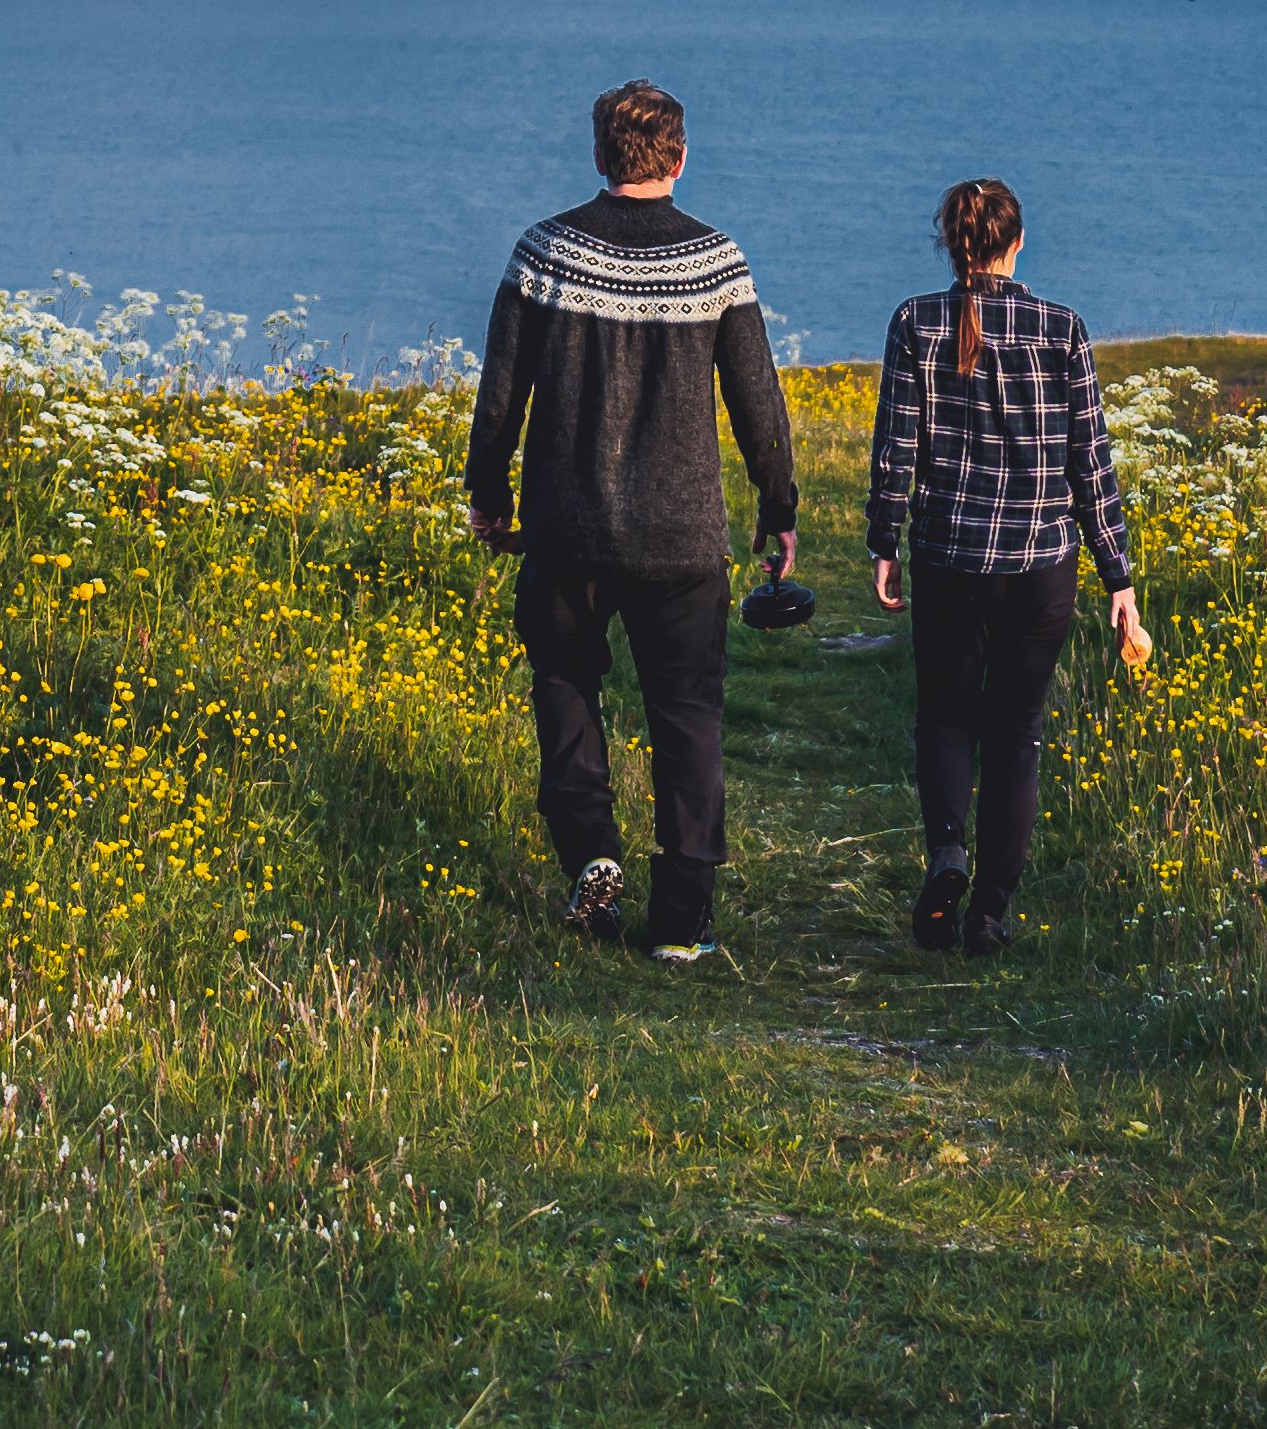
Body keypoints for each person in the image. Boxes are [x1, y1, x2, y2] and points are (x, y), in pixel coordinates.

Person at [466, 78, 801, 955]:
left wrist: (489, 492)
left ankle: (590, 851)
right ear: (680, 159)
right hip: (683, 538)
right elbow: (757, 400)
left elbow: (501, 394)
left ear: (599, 155)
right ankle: (681, 920)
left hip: (567, 528)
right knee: (686, 716)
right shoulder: (717, 261)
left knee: (565, 684)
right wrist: (780, 504)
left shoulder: (544, 252)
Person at [864, 177, 1150, 956]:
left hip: (951, 554)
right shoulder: (1063, 329)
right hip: (1042, 563)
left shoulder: (915, 323)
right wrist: (1119, 578)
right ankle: (988, 914)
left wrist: (884, 542)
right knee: (1016, 731)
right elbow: (1091, 466)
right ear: (1017, 242)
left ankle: (948, 851)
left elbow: (898, 449)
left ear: (951, 244)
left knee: (945, 715)